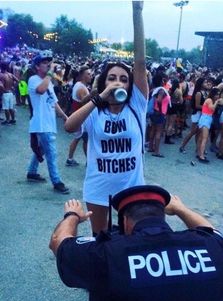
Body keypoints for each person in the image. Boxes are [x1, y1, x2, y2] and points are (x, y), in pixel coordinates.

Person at [49, 185, 223, 301]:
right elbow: (211, 230)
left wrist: (72, 216)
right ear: (162, 216)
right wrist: (181, 209)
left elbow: (58, 242)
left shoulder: (109, 253)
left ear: (126, 222)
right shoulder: (210, 245)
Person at [64, 1, 148, 235]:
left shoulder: (136, 106)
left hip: (131, 189)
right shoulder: (95, 109)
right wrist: (99, 97)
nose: (118, 82)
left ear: (130, 85)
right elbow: (70, 126)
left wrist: (137, 11)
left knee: (130, 240)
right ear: (104, 82)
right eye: (112, 78)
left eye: (123, 78)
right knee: (100, 239)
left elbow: (140, 63)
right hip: (98, 188)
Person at [26, 51, 69, 194]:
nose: (48, 65)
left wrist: (64, 117)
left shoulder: (48, 81)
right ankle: (57, 181)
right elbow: (40, 90)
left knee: (42, 149)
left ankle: (32, 172)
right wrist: (51, 73)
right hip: (41, 123)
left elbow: (54, 102)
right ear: (37, 66)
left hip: (48, 122)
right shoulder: (33, 79)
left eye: (49, 63)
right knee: (51, 152)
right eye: (45, 63)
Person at [65, 65, 93, 166]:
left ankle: (72, 158)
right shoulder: (81, 87)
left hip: (79, 117)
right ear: (82, 76)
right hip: (81, 118)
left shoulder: (79, 84)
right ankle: (88, 161)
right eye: (88, 74)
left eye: (90, 74)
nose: (90, 76)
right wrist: (91, 95)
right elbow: (83, 102)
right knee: (83, 139)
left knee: (81, 138)